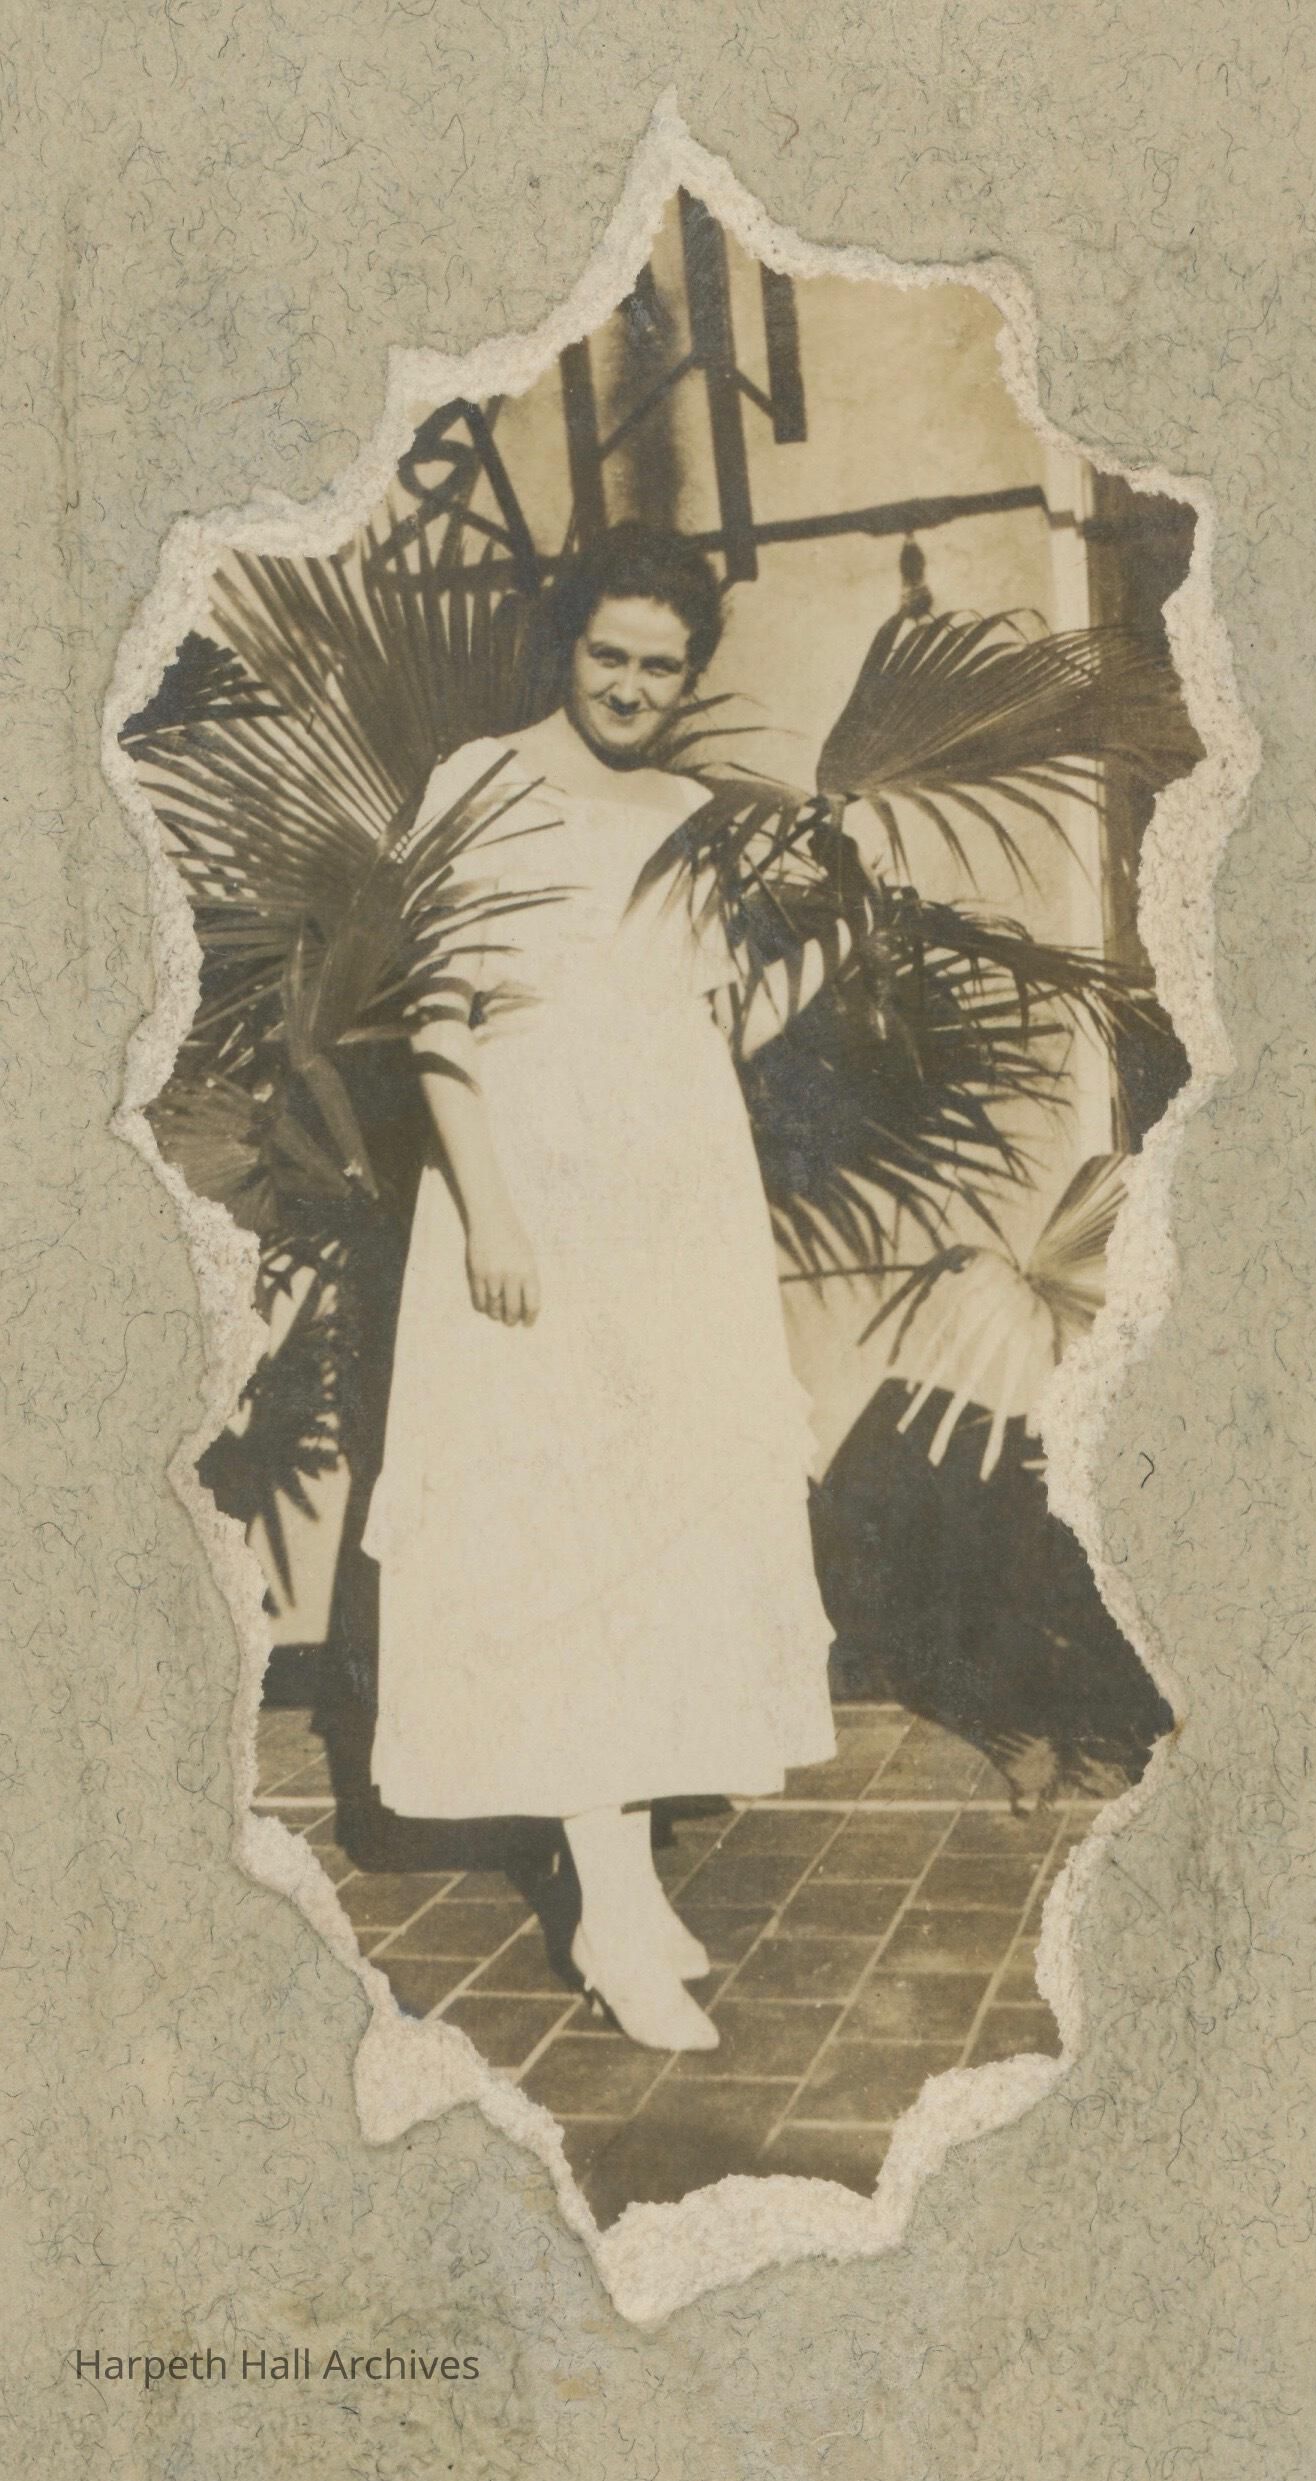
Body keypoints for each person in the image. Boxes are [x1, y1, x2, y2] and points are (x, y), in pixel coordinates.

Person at [363, 523, 844, 2053]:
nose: (632, 686)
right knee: (568, 1538)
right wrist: (489, 1212)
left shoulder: (694, 814)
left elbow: (708, 1025)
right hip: (534, 1206)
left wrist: (826, 939)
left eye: (661, 665)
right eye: (608, 654)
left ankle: (622, 1876)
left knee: (662, 1532)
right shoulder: (481, 782)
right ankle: (615, 1915)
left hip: (676, 1210)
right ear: (565, 643)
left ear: (690, 673)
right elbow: (436, 1017)